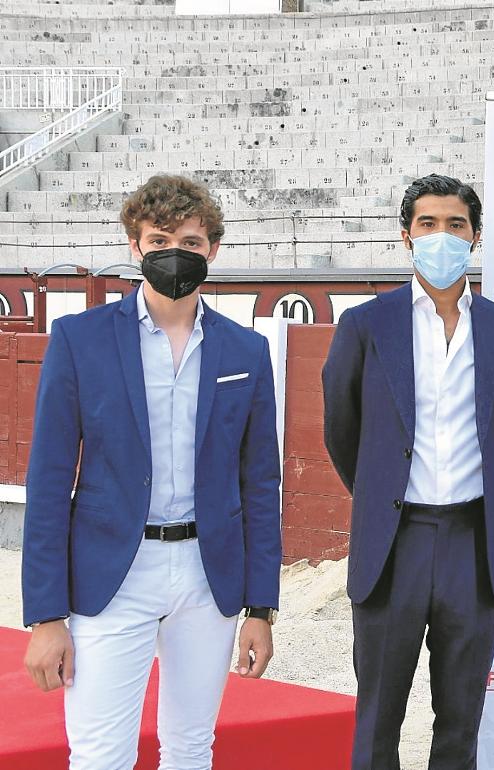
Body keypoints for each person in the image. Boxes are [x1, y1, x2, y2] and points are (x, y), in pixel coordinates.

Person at [21, 174, 282, 769]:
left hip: (206, 574)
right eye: (160, 238)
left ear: (213, 250)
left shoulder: (245, 350)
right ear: (135, 246)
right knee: (99, 755)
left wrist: (261, 608)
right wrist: (44, 615)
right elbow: (48, 481)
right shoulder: (78, 339)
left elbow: (260, 485)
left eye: (191, 242)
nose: (176, 253)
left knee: (191, 749)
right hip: (114, 570)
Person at [322, 173, 494, 770]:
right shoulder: (367, 326)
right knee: (377, 724)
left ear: (475, 237)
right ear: (406, 237)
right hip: (393, 546)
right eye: (428, 224)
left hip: (473, 547)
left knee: (459, 723)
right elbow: (342, 432)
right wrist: (384, 496)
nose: (441, 236)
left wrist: (480, 499)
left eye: (455, 225)